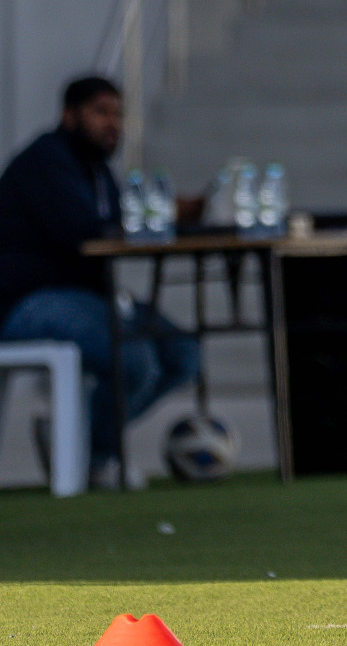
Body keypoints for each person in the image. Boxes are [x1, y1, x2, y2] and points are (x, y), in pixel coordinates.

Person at [0, 76, 200, 489]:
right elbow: (83, 232)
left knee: (183, 353)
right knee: (134, 360)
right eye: (101, 112)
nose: (113, 124)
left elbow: (114, 224)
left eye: (119, 114)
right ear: (69, 116)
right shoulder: (46, 161)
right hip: (26, 302)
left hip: (87, 297)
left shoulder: (97, 172)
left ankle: (78, 444)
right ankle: (89, 454)